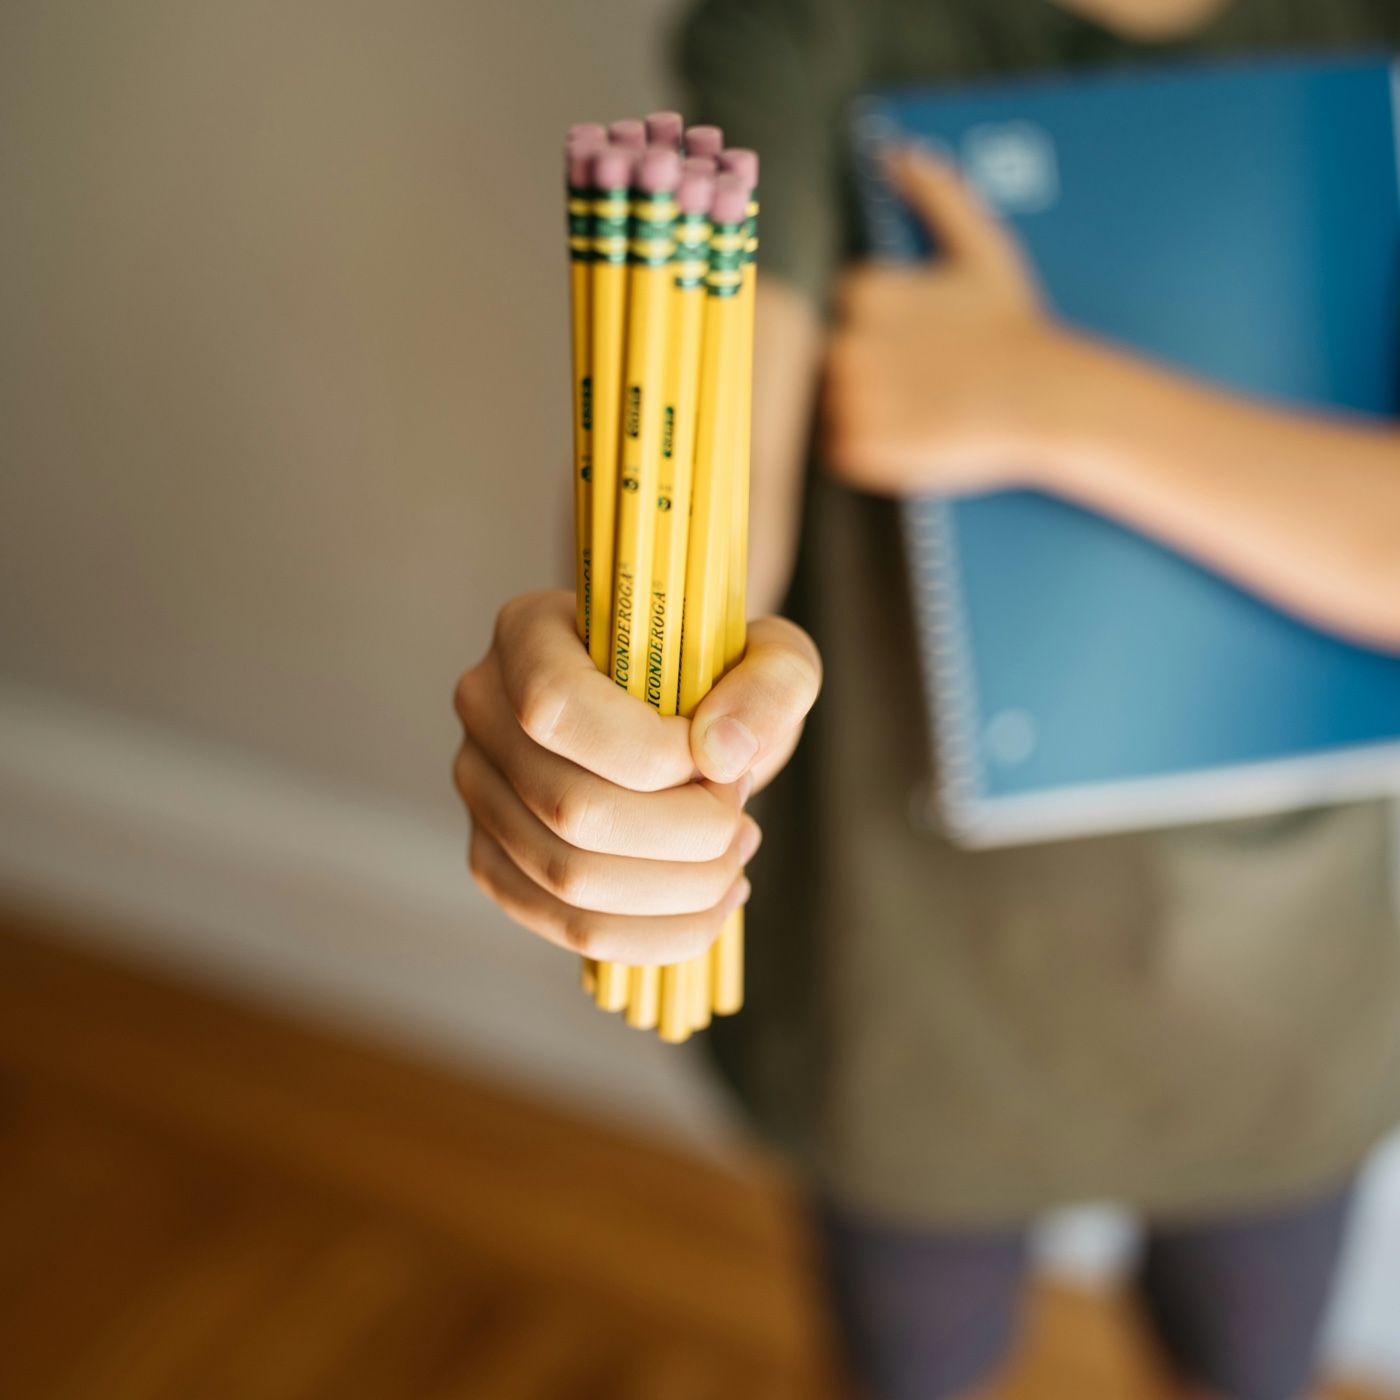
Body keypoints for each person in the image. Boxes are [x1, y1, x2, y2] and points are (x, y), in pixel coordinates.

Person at [453, 1, 1400, 1395]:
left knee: (1254, 1358)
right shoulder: (823, 25)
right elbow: (723, 483)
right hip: (904, 972)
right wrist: (621, 720)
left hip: (1290, 977)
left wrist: (1039, 395)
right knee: (912, 1363)